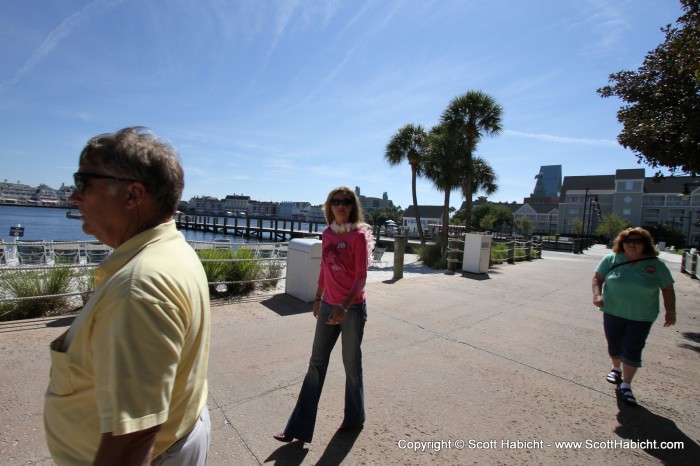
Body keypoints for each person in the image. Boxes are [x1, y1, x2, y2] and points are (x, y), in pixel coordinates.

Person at [44, 127, 211, 465]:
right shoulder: (172, 249)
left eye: (85, 182)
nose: (74, 197)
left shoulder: (138, 290)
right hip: (181, 435)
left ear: (134, 195)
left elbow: (132, 441)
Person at [274, 186, 374, 443]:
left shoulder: (358, 237)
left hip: (351, 309)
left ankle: (354, 419)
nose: (340, 205)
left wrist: (344, 307)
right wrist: (319, 297)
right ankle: (297, 427)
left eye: (346, 201)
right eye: (335, 201)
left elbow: (361, 278)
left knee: (351, 366)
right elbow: (324, 269)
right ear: (329, 207)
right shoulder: (327, 233)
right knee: (316, 365)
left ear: (352, 207)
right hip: (329, 304)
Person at [592, 227, 676, 406]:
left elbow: (668, 288)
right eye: (628, 241)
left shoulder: (656, 265)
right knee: (614, 342)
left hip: (642, 314)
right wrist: (597, 295)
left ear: (645, 244)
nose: (632, 244)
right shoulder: (612, 259)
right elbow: (597, 278)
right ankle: (616, 368)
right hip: (613, 310)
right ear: (621, 243)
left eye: (637, 241)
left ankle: (626, 384)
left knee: (633, 346)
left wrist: (671, 311)